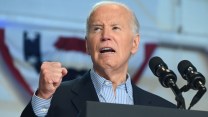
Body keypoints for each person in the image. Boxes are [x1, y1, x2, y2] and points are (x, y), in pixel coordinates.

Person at [21, 1, 176, 117]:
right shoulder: (55, 98)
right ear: (88, 45)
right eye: (97, 29)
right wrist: (43, 96)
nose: (105, 36)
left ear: (134, 43)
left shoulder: (164, 110)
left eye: (115, 28)